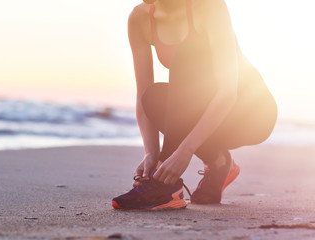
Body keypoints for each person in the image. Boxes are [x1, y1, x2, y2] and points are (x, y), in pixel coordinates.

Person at [112, 0, 277, 210]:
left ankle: (165, 187)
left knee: (187, 53)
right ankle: (219, 163)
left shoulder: (209, 7)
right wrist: (150, 153)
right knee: (151, 97)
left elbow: (228, 92)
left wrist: (185, 151)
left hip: (251, 112)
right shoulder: (140, 18)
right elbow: (141, 95)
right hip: (204, 108)